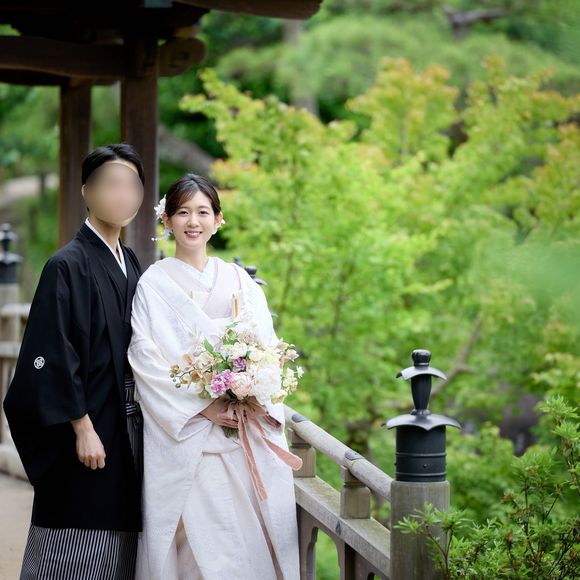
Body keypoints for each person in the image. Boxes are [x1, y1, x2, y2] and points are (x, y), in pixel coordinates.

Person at [128, 174, 301, 579]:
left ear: (218, 219)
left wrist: (249, 388)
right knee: (194, 547)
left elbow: (266, 346)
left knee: (243, 544)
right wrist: (204, 406)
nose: (193, 222)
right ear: (167, 220)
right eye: (183, 212)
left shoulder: (240, 281)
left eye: (203, 212)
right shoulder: (152, 284)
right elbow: (144, 357)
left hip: (240, 430)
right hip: (189, 434)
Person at [3, 143, 145, 579]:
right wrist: (82, 427)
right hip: (84, 425)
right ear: (86, 191)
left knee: (119, 542)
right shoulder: (66, 264)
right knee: (75, 535)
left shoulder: (131, 262)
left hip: (125, 427)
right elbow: (51, 351)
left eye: (132, 186)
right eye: (111, 185)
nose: (122, 195)